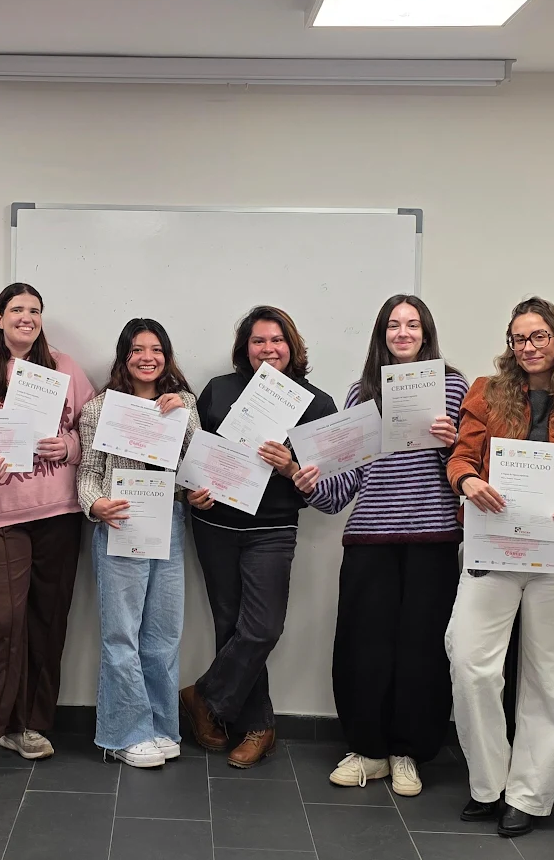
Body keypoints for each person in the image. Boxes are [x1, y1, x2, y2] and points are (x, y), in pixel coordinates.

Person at [445, 296, 554, 838]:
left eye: (538, 336)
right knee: (469, 659)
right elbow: (460, 458)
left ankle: (528, 795)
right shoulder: (485, 393)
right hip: (492, 548)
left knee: (551, 680)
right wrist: (468, 481)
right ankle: (489, 784)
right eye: (518, 338)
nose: (527, 347)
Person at [305, 295, 467, 796]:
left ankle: (407, 754)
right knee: (362, 647)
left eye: (412, 324)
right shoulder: (360, 393)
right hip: (369, 537)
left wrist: (453, 443)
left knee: (421, 650)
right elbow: (344, 485)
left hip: (432, 539)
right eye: (393, 325)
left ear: (426, 332)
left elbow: (471, 465)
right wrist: (307, 479)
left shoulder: (455, 386)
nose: (402, 333)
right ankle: (367, 750)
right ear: (382, 334)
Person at [0, 283, 94, 791]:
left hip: (58, 514)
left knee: (46, 620)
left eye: (35, 310)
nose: (26, 318)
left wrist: (66, 444)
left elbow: (93, 434)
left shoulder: (66, 369)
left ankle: (27, 726)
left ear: (41, 319)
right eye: (17, 310)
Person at [178, 305, 338, 768]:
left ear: (293, 345)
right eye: (258, 342)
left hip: (272, 529)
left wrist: (290, 467)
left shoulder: (317, 403)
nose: (268, 350)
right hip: (215, 527)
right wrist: (193, 491)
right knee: (230, 629)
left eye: (277, 340)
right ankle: (257, 726)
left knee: (262, 628)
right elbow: (193, 455)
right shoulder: (218, 390)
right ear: (244, 349)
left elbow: (320, 484)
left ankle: (204, 695)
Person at [77, 318, 200, 768]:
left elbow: (192, 470)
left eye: (156, 349)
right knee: (121, 633)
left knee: (164, 634)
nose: (147, 357)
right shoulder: (100, 408)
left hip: (167, 522)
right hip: (121, 523)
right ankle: (124, 734)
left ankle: (162, 726)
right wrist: (97, 506)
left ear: (166, 357)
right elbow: (87, 474)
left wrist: (183, 419)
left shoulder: (183, 404)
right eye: (137, 349)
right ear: (123, 356)